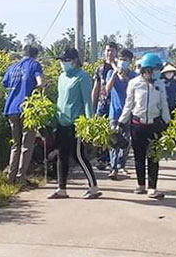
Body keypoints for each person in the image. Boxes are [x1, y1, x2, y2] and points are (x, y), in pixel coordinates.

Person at [50, 47, 101, 200]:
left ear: (74, 61)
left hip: (76, 123)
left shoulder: (82, 77)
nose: (63, 63)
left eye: (66, 60)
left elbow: (87, 101)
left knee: (78, 155)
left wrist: (89, 122)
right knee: (62, 155)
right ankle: (61, 189)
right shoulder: (61, 77)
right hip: (61, 121)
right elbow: (60, 99)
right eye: (61, 61)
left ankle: (93, 187)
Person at [119, 53, 171, 199]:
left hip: (154, 125)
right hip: (137, 124)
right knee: (138, 155)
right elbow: (128, 104)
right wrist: (122, 122)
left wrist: (168, 122)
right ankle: (141, 184)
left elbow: (164, 105)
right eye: (155, 69)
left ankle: (152, 187)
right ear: (146, 69)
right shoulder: (134, 83)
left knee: (154, 157)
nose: (157, 72)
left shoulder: (160, 84)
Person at [0, 45, 45, 186]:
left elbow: (1, 88)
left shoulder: (12, 68)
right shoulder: (35, 65)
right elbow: (40, 83)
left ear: (22, 54)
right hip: (27, 109)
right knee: (27, 144)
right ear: (35, 56)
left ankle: (10, 177)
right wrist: (39, 91)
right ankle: (21, 177)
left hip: (11, 108)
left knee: (16, 144)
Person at [105, 49, 137, 180]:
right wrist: (114, 74)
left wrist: (125, 78)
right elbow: (107, 89)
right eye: (121, 59)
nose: (123, 62)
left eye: (126, 60)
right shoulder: (110, 73)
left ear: (130, 62)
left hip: (129, 113)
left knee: (126, 141)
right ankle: (113, 168)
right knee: (113, 141)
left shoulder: (134, 76)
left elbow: (134, 89)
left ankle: (120, 164)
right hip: (114, 113)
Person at [92, 42, 119, 170]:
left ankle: (112, 160)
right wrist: (93, 105)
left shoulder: (119, 68)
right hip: (102, 103)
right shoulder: (100, 69)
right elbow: (96, 87)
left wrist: (115, 65)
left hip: (115, 104)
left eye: (112, 51)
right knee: (100, 131)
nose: (110, 53)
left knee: (113, 132)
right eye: (108, 51)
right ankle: (101, 159)